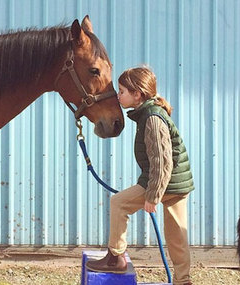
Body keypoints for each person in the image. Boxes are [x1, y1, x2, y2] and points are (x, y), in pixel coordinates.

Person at [86, 66, 194, 285]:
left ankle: (116, 257)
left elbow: (162, 161)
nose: (118, 95)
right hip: (178, 184)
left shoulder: (152, 118)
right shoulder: (150, 113)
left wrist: (153, 195)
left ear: (138, 94)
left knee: (119, 203)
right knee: (177, 238)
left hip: (164, 182)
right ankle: (184, 280)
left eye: (122, 91)